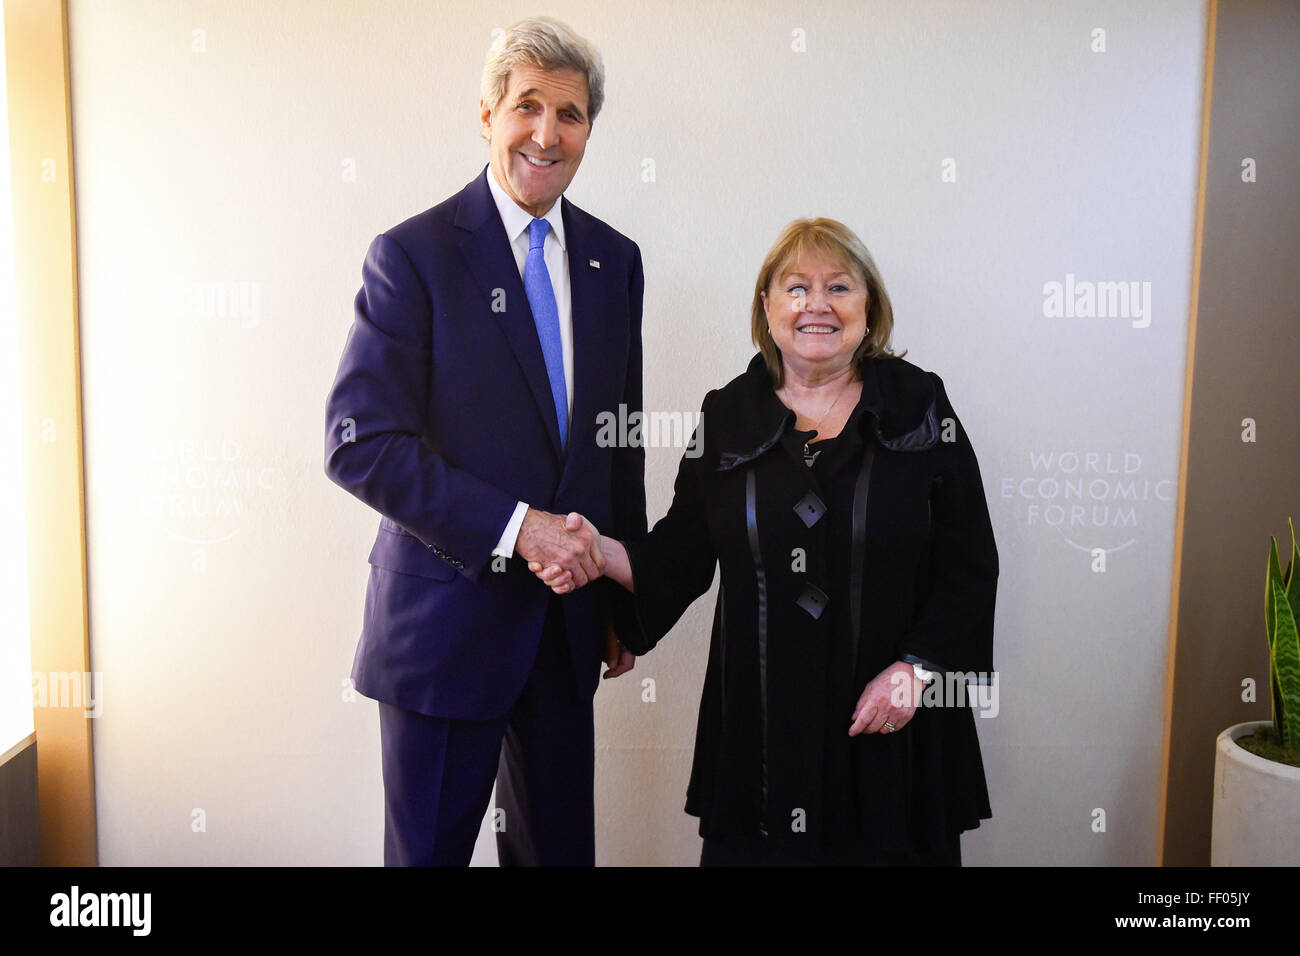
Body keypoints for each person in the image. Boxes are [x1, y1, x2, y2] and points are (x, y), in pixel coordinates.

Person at [534, 218, 998, 866]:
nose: (817, 305)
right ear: (768, 306)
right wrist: (598, 551)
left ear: (870, 307)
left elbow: (969, 561)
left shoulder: (920, 404)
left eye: (839, 287)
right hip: (758, 743)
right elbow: (682, 553)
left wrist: (917, 671)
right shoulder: (727, 414)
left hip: (895, 735)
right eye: (797, 288)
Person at [324, 16, 645, 866]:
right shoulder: (413, 255)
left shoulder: (617, 262)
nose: (547, 134)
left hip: (566, 632)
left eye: (570, 114)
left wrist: (623, 599)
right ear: (486, 114)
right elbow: (359, 442)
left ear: (588, 130)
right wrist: (517, 526)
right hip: (441, 634)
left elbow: (621, 439)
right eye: (527, 106)